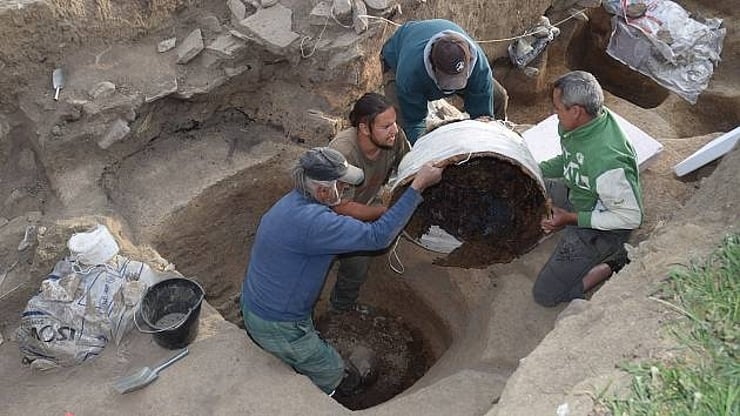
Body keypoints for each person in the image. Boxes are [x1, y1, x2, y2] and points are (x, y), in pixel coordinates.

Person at [240, 146, 443, 396]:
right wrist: (417, 188)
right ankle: (332, 395)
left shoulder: (294, 202)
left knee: (302, 348)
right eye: (341, 184)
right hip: (277, 324)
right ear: (323, 191)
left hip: (260, 305)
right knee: (333, 372)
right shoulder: (315, 223)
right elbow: (378, 237)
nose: (346, 189)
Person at [532, 71, 643, 307]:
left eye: (557, 108)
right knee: (529, 187)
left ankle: (615, 262)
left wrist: (569, 218)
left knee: (545, 295)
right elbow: (570, 159)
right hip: (580, 191)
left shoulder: (608, 162)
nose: (554, 113)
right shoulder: (582, 125)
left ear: (576, 111)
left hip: (603, 226)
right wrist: (533, 170)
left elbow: (630, 217)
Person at [327, 92, 410, 313]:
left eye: (394, 123)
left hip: (365, 201)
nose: (394, 130)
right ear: (364, 128)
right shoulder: (342, 153)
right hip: (330, 216)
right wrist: (384, 212)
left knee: (359, 261)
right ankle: (332, 309)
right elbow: (340, 207)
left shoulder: (395, 138)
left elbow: (409, 168)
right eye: (386, 126)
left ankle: (342, 306)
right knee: (351, 258)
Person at [380, 19, 510, 144]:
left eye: (458, 79)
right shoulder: (410, 73)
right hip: (395, 59)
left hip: (424, 48)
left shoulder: (479, 66)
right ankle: (399, 163)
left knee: (498, 97)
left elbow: (483, 117)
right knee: (400, 130)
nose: (452, 87)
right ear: (433, 65)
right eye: (448, 80)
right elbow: (414, 124)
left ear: (468, 61)